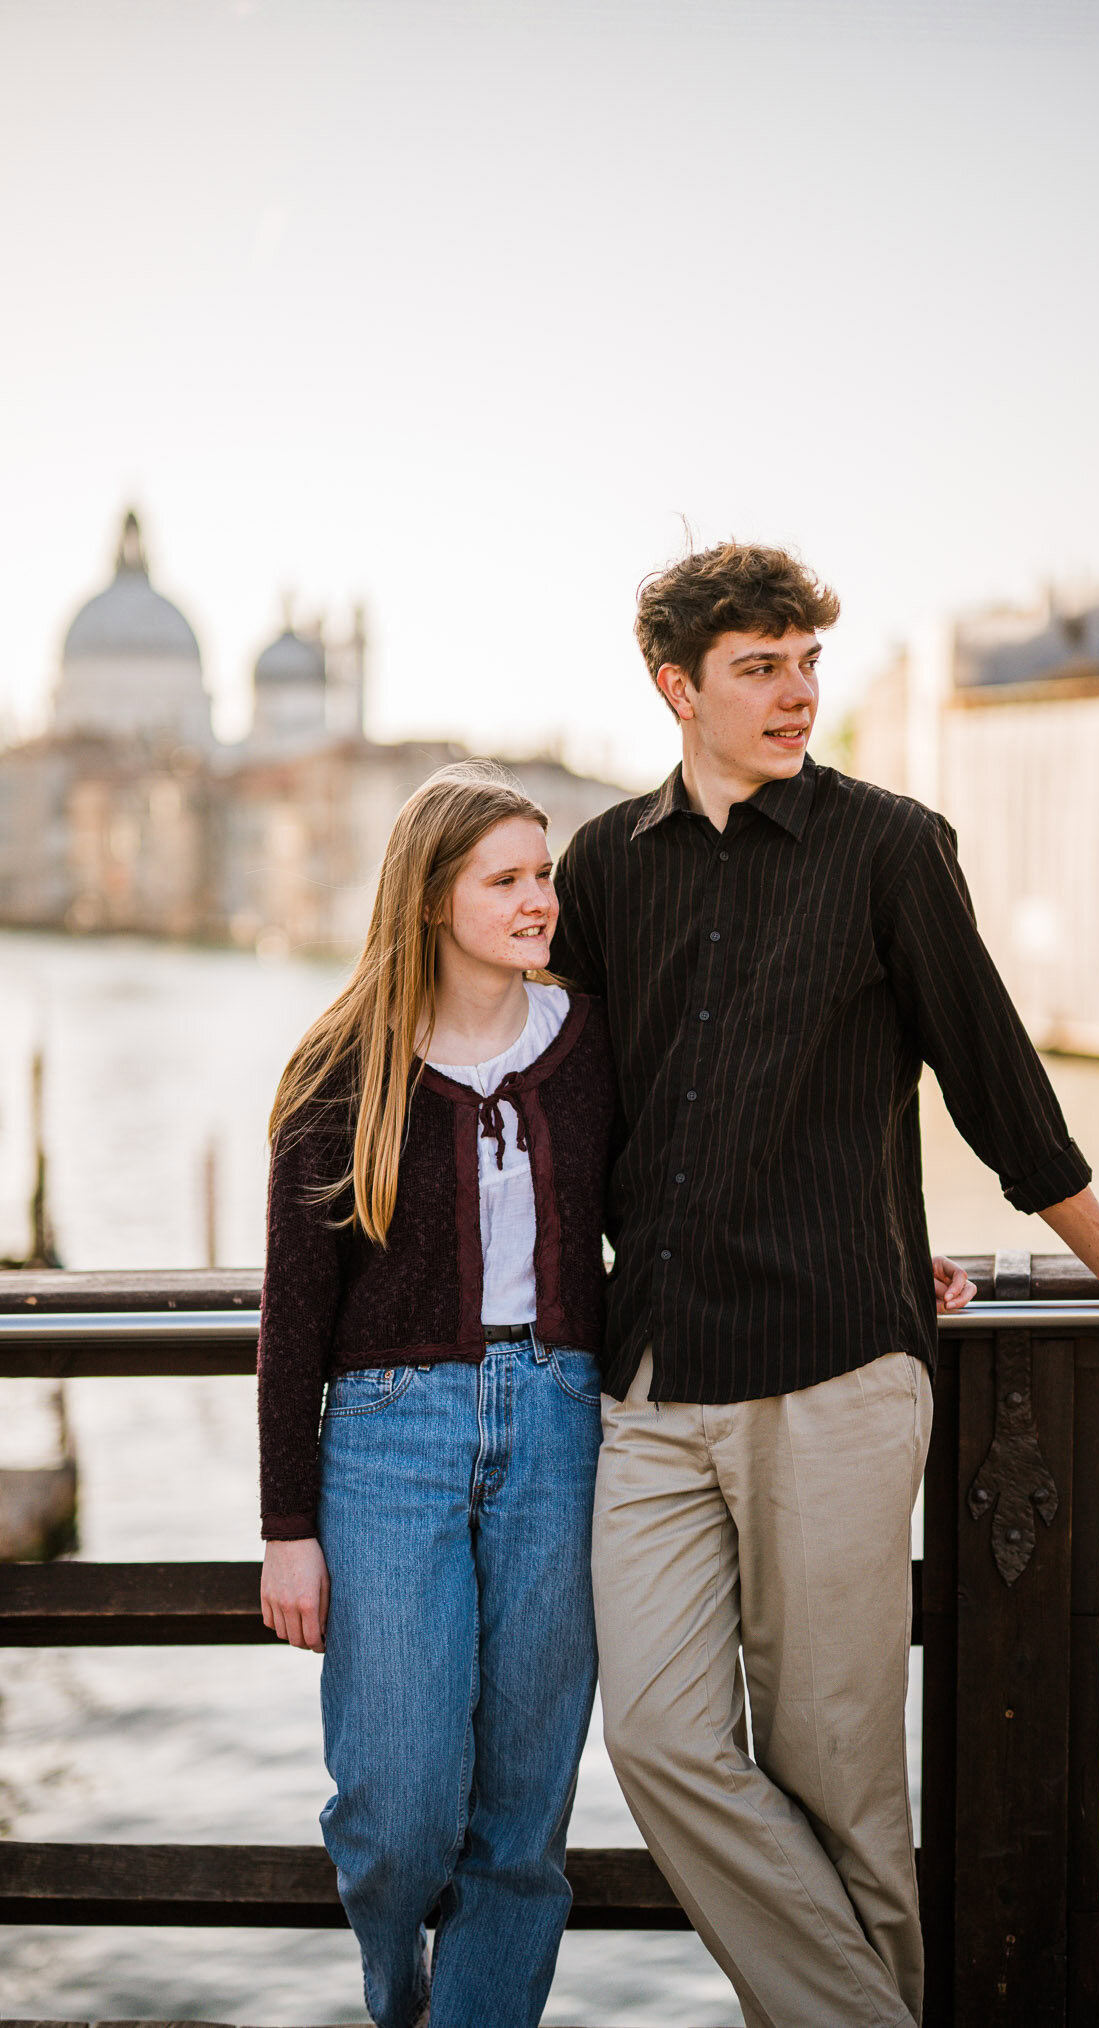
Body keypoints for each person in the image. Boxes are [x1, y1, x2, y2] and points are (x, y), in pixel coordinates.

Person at [549, 542, 1099, 2028]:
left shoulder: (890, 846)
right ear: (674, 686)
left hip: (833, 1368)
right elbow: (577, 1110)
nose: (797, 694)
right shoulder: (603, 864)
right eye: (760, 667)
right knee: (661, 1744)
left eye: (809, 662)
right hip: (647, 1380)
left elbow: (998, 1086)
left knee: (839, 1788)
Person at [256, 763, 616, 2028]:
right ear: (430, 900)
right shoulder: (336, 1071)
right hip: (383, 1441)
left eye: (544, 876)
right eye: (506, 880)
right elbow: (291, 1322)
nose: (539, 902)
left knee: (521, 1817)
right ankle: (397, 2000)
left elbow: (683, 1211)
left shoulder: (585, 1047)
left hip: (562, 1425)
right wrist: (285, 1529)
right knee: (399, 1812)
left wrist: (892, 1252)